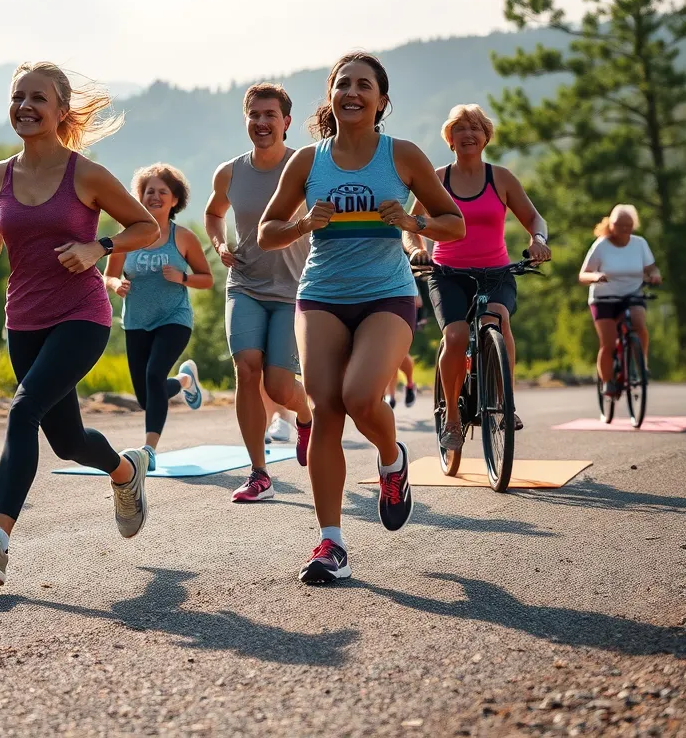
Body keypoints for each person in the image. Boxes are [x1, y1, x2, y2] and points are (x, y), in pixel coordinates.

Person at [258, 51, 464, 583]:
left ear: (381, 100)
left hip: (386, 295)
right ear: (330, 97)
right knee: (325, 407)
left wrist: (413, 219)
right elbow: (266, 232)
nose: (352, 92)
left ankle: (392, 459)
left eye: (363, 85)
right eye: (342, 84)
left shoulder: (404, 156)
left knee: (358, 396)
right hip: (322, 293)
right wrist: (304, 223)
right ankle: (330, 544)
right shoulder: (307, 161)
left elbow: (453, 224)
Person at [0, 62, 159, 587]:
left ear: (61, 110)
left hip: (81, 315)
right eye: (18, 96)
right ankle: (125, 472)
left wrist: (98, 247)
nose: (25, 106)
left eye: (37, 98)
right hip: (23, 319)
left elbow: (147, 226)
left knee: (22, 409)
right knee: (65, 441)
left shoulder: (83, 174)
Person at [408, 104, 550, 449]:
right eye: (460, 128)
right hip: (447, 273)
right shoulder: (437, 179)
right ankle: (453, 421)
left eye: (475, 127)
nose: (468, 134)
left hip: (496, 272)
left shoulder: (500, 178)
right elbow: (411, 225)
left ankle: (505, 401)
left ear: (486, 136)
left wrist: (538, 240)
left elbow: (535, 219)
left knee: (498, 320)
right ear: (450, 139)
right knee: (456, 336)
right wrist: (416, 249)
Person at [205, 82, 314, 502]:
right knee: (246, 369)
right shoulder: (230, 171)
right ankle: (259, 473)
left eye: (270, 115)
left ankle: (304, 415)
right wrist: (219, 245)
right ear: (246, 119)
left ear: (286, 122)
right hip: (246, 284)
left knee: (281, 386)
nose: (262, 123)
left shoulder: (304, 167)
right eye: (254, 115)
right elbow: (214, 213)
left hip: (294, 288)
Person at [103, 163, 213, 470]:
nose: (155, 196)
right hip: (136, 321)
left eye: (162, 192)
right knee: (145, 397)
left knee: (153, 376)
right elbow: (107, 276)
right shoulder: (126, 238)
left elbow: (206, 278)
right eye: (149, 191)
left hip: (173, 319)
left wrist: (183, 278)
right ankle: (186, 380)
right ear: (140, 197)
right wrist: (116, 284)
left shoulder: (184, 238)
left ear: (174, 199)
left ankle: (149, 450)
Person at [579, 204, 661, 394]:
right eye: (620, 225)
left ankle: (641, 363)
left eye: (629, 226)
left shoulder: (640, 243)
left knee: (639, 323)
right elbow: (584, 274)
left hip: (632, 294)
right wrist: (596, 277)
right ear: (611, 224)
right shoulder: (601, 245)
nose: (624, 230)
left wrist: (655, 275)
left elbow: (651, 268)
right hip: (603, 298)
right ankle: (608, 381)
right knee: (608, 343)